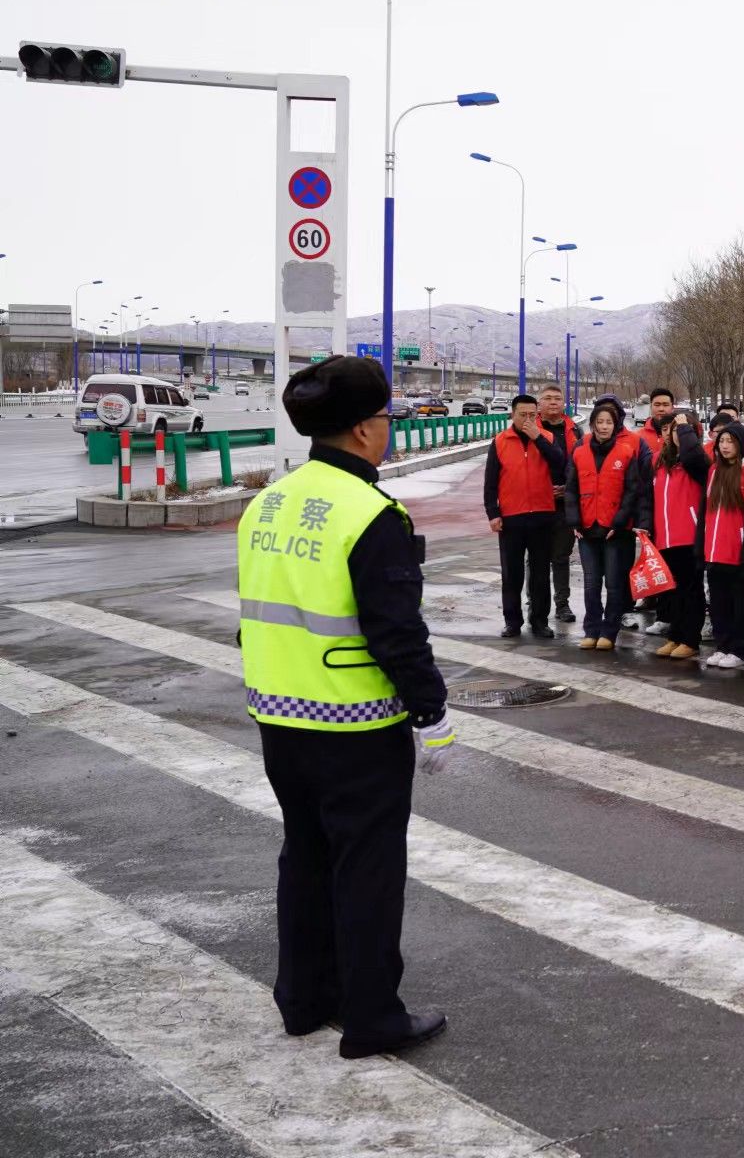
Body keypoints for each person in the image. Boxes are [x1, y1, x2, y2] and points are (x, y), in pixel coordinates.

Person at [237, 355, 450, 1059]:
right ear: (362, 429)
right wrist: (431, 710)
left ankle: (303, 1000)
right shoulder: (370, 513)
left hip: (278, 715)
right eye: (387, 418)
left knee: (305, 855)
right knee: (367, 868)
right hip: (356, 722)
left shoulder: (267, 503)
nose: (389, 429)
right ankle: (373, 1017)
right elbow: (396, 629)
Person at [563, 397, 648, 651]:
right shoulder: (579, 452)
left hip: (615, 530)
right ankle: (591, 629)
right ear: (592, 424)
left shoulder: (626, 452)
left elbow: (632, 491)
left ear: (616, 425)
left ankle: (609, 632)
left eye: (608, 422)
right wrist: (574, 520)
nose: (603, 426)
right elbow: (571, 489)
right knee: (591, 583)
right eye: (599, 422)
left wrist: (619, 522)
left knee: (613, 583)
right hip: (587, 528)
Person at [484, 394, 568, 639]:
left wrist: (537, 437)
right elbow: (490, 482)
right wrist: (493, 513)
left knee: (540, 573)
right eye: (523, 415)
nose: (527, 419)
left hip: (542, 515)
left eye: (532, 415)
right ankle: (512, 621)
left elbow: (559, 463)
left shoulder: (547, 438)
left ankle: (540, 620)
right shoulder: (500, 441)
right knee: (512, 573)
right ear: (513, 414)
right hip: (512, 516)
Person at [650, 408, 710, 660]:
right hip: (664, 536)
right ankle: (675, 635)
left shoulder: (696, 461)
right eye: (673, 429)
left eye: (681, 430)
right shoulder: (659, 461)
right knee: (672, 590)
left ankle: (690, 639)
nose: (675, 434)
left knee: (690, 589)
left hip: (688, 536)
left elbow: (693, 455)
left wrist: (685, 429)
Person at [702, 421, 744, 669]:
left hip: (738, 549)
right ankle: (722, 645)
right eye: (721, 441)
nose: (724, 446)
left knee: (740, 604)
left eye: (730, 442)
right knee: (719, 603)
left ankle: (740, 650)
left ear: (741, 445)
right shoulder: (714, 470)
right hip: (714, 549)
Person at [632, 387, 678, 638]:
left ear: (673, 406)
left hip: (677, 516)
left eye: (665, 404)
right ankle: (656, 606)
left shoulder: (682, 434)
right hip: (654, 513)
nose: (661, 408)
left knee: (675, 567)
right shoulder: (641, 437)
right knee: (653, 562)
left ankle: (673, 614)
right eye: (657, 404)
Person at [535, 385, 583, 624]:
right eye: (547, 398)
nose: (553, 402)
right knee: (535, 557)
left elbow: (583, 466)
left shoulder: (575, 430)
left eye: (557, 398)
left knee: (561, 556)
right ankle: (535, 600)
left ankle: (562, 604)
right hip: (536, 504)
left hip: (565, 504)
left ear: (564, 403)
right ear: (539, 404)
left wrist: (568, 489)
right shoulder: (529, 429)